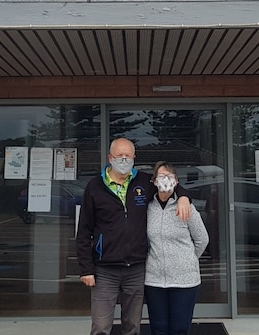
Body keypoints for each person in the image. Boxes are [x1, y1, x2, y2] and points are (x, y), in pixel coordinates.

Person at [77, 138, 191, 335]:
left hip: (136, 269)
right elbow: (84, 230)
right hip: (105, 270)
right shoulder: (95, 186)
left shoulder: (144, 182)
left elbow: (168, 182)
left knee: (132, 327)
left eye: (128, 156)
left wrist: (183, 196)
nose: (123, 159)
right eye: (119, 156)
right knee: (101, 327)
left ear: (134, 158)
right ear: (110, 158)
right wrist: (86, 269)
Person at [144, 161, 209, 335]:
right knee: (158, 328)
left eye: (170, 177)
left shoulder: (187, 208)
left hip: (184, 281)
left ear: (177, 182)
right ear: (154, 181)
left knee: (179, 329)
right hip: (154, 280)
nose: (165, 180)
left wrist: (187, 259)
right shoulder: (148, 208)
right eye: (161, 176)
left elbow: (202, 239)